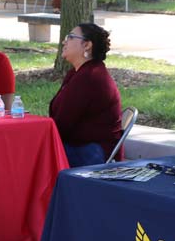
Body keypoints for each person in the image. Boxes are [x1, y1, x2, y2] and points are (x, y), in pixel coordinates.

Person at [49, 22, 123, 167]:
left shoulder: (90, 77)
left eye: (70, 37)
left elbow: (63, 124)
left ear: (87, 45)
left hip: (91, 153)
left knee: (27, 153)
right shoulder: (79, 72)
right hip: (78, 146)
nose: (64, 41)